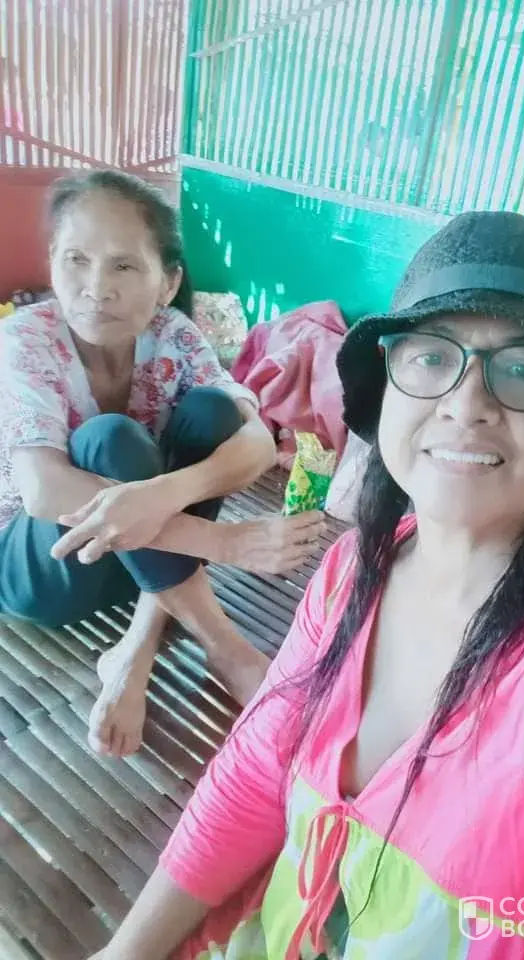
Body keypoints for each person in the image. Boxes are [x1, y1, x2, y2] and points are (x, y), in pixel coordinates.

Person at [90, 213, 524, 960]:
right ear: (387, 391)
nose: (467, 402)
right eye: (429, 356)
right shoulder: (350, 573)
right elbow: (258, 773)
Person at [0, 170, 324, 758]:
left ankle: (134, 649)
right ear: (52, 263)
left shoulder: (172, 332)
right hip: (45, 571)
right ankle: (226, 647)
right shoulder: (24, 339)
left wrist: (160, 494)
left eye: (124, 266)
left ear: (168, 282)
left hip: (137, 565)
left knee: (212, 412)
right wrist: (221, 542)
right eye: (76, 260)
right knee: (110, 439)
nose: (96, 288)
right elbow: (44, 492)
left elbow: (255, 440)